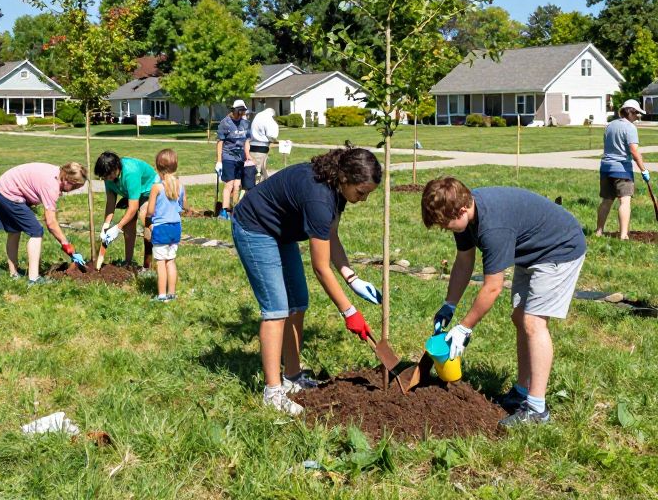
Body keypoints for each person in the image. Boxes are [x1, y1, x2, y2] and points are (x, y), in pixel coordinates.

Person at [422, 177, 587, 427]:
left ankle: (537, 409)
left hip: (559, 248)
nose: (446, 228)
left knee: (533, 322)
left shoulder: (492, 228)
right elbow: (464, 262)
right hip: (531, 251)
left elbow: (493, 287)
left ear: (463, 209)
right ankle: (522, 392)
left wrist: (464, 328)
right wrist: (450, 304)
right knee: (520, 318)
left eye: (446, 223)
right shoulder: (465, 218)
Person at [231, 147, 383, 415]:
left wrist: (352, 277)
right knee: (276, 310)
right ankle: (273, 392)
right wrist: (350, 312)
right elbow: (321, 268)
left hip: (281, 231)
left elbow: (330, 234)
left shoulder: (337, 189)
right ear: (345, 178)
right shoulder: (319, 199)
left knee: (298, 303)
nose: (364, 199)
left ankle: (292, 376)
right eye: (361, 192)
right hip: (255, 227)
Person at [0, 162, 89, 284]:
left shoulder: (56, 173)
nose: (73, 191)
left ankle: (14, 274)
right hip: (10, 194)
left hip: (2, 188)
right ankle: (34, 279)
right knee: (36, 231)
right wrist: (68, 247)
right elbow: (51, 223)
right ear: (67, 180)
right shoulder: (51, 186)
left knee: (14, 231)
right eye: (75, 187)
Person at [595, 99, 650, 240]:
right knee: (624, 201)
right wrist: (643, 170)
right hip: (622, 170)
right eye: (637, 113)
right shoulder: (630, 128)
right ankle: (624, 235)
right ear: (631, 112)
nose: (638, 116)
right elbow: (634, 151)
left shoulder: (610, 125)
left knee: (606, 200)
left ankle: (599, 232)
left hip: (606, 168)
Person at [95, 151, 159, 270]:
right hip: (133, 193)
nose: (106, 179)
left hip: (149, 190)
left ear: (116, 169)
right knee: (128, 224)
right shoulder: (107, 174)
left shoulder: (130, 173)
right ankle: (128, 262)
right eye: (104, 177)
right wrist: (106, 225)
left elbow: (133, 207)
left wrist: (117, 227)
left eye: (107, 176)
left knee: (146, 219)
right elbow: (110, 202)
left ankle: (147, 265)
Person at [146, 149, 184, 302]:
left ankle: (161, 296)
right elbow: (182, 206)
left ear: (157, 167)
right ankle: (172, 294)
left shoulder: (156, 187)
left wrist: (149, 220)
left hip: (161, 228)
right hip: (176, 227)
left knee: (160, 263)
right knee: (171, 261)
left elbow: (150, 211)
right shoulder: (180, 186)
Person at [216, 99, 252, 219]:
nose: (242, 115)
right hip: (228, 157)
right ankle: (224, 210)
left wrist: (248, 156)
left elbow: (246, 141)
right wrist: (219, 161)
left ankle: (234, 209)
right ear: (234, 110)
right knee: (229, 184)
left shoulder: (246, 123)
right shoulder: (225, 123)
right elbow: (220, 142)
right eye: (240, 112)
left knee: (237, 185)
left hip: (240, 158)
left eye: (243, 112)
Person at [249, 107, 279, 182]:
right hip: (261, 147)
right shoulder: (268, 119)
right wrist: (275, 141)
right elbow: (272, 135)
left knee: (257, 169)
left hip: (252, 146)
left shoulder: (258, 116)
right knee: (258, 172)